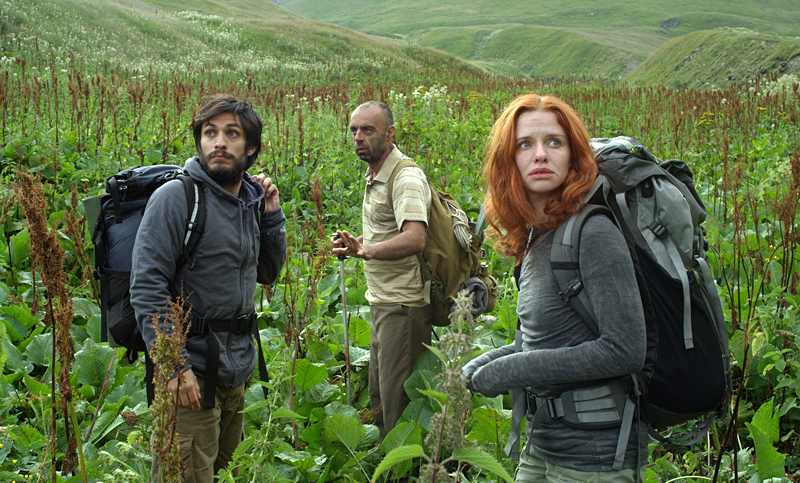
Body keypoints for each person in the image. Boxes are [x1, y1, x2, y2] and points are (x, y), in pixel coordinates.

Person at [461, 94, 647, 482]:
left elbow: (625, 350)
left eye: (554, 142)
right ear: (507, 160)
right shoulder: (536, 236)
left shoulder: (593, 232)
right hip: (541, 443)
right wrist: (488, 362)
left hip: (595, 457)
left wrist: (512, 369)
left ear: (573, 156)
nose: (540, 155)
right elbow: (545, 340)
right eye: (524, 144)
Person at [130, 94, 287, 482]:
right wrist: (174, 366)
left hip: (235, 373)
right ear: (199, 141)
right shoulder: (177, 198)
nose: (219, 142)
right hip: (191, 375)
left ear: (251, 148)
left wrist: (271, 215)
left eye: (232, 134)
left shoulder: (249, 200)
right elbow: (148, 285)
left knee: (222, 473)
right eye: (210, 132)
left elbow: (268, 273)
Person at [331, 101, 433, 441]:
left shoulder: (405, 177)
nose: (358, 138)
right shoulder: (376, 174)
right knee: (378, 399)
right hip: (382, 301)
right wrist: (356, 244)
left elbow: (415, 238)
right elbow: (386, 232)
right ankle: (382, 462)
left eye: (368, 130)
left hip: (403, 306)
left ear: (390, 133)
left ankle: (406, 466)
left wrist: (367, 251)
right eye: (353, 131)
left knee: (397, 405)